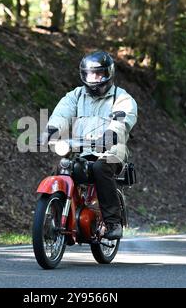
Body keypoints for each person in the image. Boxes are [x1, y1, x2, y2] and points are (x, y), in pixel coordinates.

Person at [41, 50, 138, 240]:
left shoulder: (122, 98)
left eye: (98, 74)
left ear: (108, 73)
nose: (93, 78)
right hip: (82, 150)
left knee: (101, 168)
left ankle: (112, 223)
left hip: (110, 151)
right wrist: (50, 131)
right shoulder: (75, 96)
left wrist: (110, 136)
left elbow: (121, 121)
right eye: (89, 74)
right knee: (62, 167)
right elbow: (61, 115)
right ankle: (54, 216)